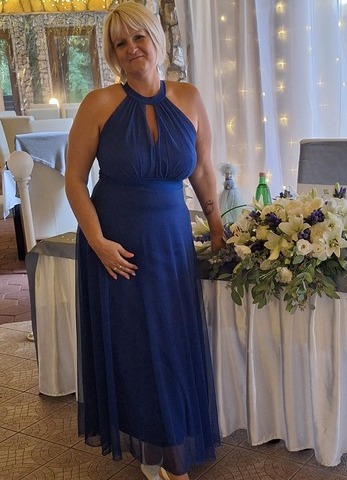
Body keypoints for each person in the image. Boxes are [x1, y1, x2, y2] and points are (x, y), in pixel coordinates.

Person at [65, 3, 223, 479]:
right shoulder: (98, 104)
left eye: (139, 37)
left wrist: (217, 227)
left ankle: (160, 450)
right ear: (112, 54)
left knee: (170, 347)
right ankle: (168, 461)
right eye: (120, 43)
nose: (132, 48)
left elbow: (202, 171)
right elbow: (74, 180)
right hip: (118, 246)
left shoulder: (190, 98)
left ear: (157, 39)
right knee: (135, 349)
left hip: (171, 243)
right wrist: (97, 241)